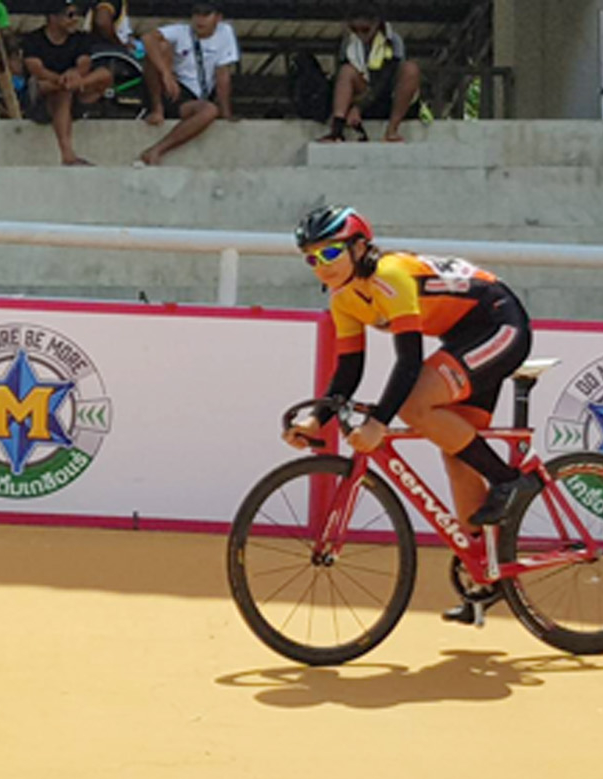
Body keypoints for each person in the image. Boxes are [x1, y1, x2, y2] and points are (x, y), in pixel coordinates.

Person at [284, 205, 536, 548]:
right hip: (463, 337)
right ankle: (487, 562)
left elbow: (409, 362)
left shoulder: (390, 276)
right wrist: (317, 419)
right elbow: (349, 369)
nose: (322, 266)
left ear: (359, 247)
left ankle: (510, 482)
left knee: (415, 405)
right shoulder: (342, 298)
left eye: (330, 253)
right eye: (312, 259)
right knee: (458, 453)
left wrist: (378, 423)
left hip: (499, 323)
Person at [136, 1, 236, 166]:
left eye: (206, 15)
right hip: (174, 89)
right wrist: (166, 73)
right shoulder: (181, 31)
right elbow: (147, 38)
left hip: (198, 96)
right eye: (197, 14)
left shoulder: (225, 32)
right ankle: (157, 108)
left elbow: (223, 74)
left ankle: (157, 149)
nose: (200, 20)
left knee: (210, 110)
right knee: (159, 48)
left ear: (218, 18)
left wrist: (226, 113)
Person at [21, 0, 112, 166]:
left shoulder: (80, 39)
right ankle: (67, 153)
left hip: (74, 89)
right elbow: (36, 69)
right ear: (53, 17)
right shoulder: (33, 39)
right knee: (59, 92)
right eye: (70, 15)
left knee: (104, 74)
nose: (75, 19)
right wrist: (60, 80)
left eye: (77, 14)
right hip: (43, 99)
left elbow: (84, 63)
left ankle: (71, 89)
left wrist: (74, 75)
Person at [318, 1, 423, 142]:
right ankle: (336, 130)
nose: (360, 35)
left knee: (411, 69)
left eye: (365, 30)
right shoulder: (349, 43)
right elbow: (342, 80)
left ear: (376, 24)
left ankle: (392, 131)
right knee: (346, 71)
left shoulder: (393, 41)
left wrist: (359, 107)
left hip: (389, 97)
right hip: (362, 94)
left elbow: (385, 79)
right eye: (355, 29)